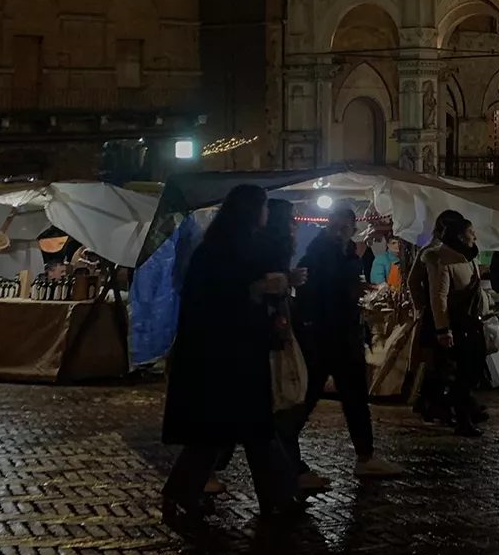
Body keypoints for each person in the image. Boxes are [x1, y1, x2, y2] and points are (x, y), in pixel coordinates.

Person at [160, 185, 300, 523]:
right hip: (225, 356)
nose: (267, 215)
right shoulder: (222, 250)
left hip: (232, 353)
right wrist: (261, 288)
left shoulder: (223, 247)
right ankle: (274, 498)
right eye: (263, 208)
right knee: (239, 431)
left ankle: (271, 497)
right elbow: (221, 296)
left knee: (234, 431)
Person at [291, 206, 403, 480]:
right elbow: (312, 293)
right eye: (337, 224)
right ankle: (286, 460)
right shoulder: (317, 254)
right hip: (323, 335)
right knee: (306, 399)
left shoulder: (350, 253)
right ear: (329, 225)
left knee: (355, 398)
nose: (341, 229)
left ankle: (366, 457)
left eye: (346, 225)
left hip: (346, 334)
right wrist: (347, 292)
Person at [422, 212, 488, 436]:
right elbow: (438, 297)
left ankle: (446, 405)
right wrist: (443, 329)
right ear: (460, 236)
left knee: (475, 368)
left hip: (472, 321)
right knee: (463, 372)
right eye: (471, 233)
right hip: (458, 323)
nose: (474, 237)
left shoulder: (469, 257)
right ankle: (462, 418)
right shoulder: (441, 259)